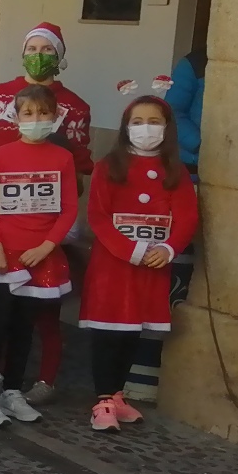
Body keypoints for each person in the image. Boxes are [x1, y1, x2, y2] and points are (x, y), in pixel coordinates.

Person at [0, 22, 93, 404]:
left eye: (47, 49)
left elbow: (81, 171)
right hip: (0, 228)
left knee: (42, 313)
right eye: (32, 47)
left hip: (46, 232)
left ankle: (38, 381)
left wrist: (55, 232)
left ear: (60, 56)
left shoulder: (75, 108)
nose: (39, 55)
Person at [82, 96, 198, 432]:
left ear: (167, 127)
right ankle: (102, 398)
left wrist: (169, 247)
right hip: (113, 265)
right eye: (137, 121)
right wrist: (130, 249)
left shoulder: (174, 169)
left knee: (133, 329)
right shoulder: (109, 166)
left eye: (154, 121)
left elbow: (187, 216)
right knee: (108, 331)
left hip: (153, 266)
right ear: (125, 127)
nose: (146, 128)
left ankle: (117, 394)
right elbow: (98, 216)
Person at [0, 83, 77, 427]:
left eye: (43, 113)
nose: (36, 119)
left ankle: (13, 390)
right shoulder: (1, 156)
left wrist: (47, 246)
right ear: (15, 118)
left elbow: (68, 208)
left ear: (54, 116)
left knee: (23, 328)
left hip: (40, 256)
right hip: (3, 255)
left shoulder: (62, 158)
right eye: (28, 114)